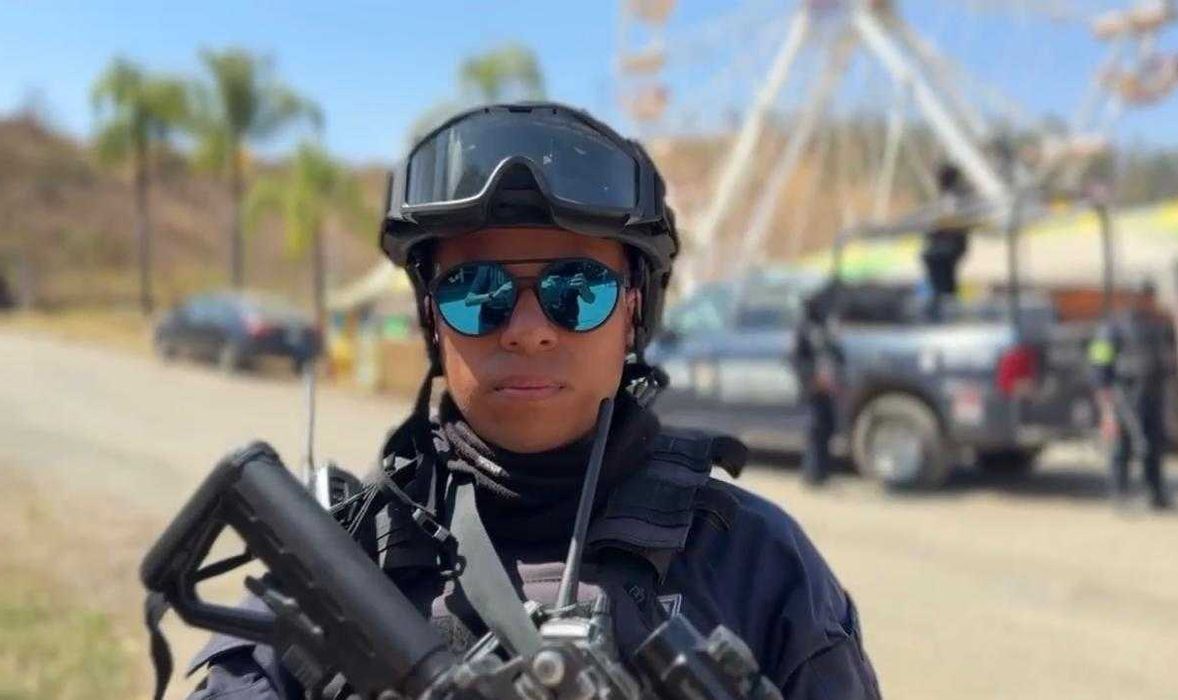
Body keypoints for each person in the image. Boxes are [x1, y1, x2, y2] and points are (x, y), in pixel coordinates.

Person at [187, 103, 881, 699]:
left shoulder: (756, 562)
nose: (526, 331)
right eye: (475, 292)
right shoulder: (337, 564)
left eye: (576, 290)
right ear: (431, 317)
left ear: (632, 311)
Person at [1089, 281, 1174, 511]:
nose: (1148, 301)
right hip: (1125, 394)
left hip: (1152, 393)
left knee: (1152, 445)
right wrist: (1104, 392)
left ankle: (1156, 493)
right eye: (1144, 296)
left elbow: (1165, 358)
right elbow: (1099, 360)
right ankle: (1119, 494)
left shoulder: (1156, 324)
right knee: (1122, 445)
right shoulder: (1113, 326)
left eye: (1150, 296)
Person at [793, 281, 845, 486]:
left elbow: (837, 354)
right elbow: (797, 359)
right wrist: (812, 379)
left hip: (829, 386)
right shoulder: (804, 329)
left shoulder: (826, 328)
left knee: (828, 428)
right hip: (813, 387)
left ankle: (823, 472)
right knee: (815, 430)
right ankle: (811, 474)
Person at [921, 164, 971, 321]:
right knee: (942, 279)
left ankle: (943, 309)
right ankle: (942, 305)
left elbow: (949, 221)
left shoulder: (954, 198)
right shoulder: (953, 197)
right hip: (946, 245)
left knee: (942, 278)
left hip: (947, 246)